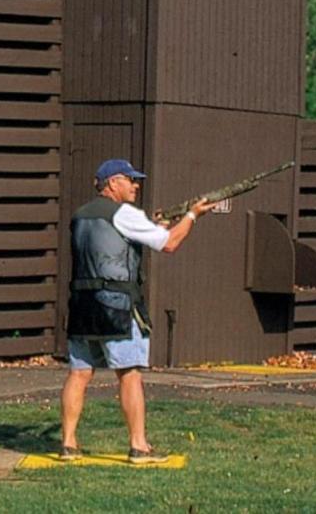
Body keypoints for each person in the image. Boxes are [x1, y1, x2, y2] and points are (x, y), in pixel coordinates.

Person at [60, 158, 216, 464]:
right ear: (112, 182)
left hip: (82, 304)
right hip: (116, 304)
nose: (135, 185)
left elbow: (111, 245)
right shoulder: (124, 213)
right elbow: (169, 244)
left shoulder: (80, 215)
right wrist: (192, 216)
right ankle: (139, 445)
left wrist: (153, 227)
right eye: (130, 180)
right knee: (129, 374)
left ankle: (67, 443)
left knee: (79, 373)